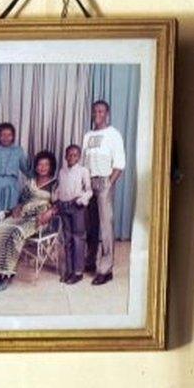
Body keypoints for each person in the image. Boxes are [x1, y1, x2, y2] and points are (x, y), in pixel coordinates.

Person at [0, 151, 58, 292]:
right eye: (40, 164)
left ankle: (8, 273)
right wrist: (16, 208)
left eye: (46, 164)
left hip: (39, 220)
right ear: (35, 167)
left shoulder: (55, 183)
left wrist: (50, 211)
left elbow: (58, 204)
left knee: (15, 233)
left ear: (51, 166)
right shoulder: (31, 182)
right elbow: (22, 200)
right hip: (22, 214)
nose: (42, 167)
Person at [82, 100, 126, 286]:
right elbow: (84, 161)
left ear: (107, 113)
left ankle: (106, 269)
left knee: (105, 226)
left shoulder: (113, 134)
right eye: (95, 111)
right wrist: (84, 184)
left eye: (101, 111)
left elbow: (120, 163)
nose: (97, 114)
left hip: (104, 181)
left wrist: (109, 183)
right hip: (88, 182)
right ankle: (90, 261)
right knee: (90, 225)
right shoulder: (88, 136)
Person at [0, 122, 30, 239]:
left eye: (9, 135)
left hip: (11, 189)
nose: (6, 138)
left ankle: (7, 244)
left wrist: (43, 179)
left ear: (13, 136)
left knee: (9, 216)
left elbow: (26, 169)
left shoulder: (18, 151)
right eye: (3, 135)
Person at [54, 144, 92, 284]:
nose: (71, 157)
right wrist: (56, 198)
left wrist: (81, 200)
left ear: (79, 157)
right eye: (69, 155)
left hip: (77, 207)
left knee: (78, 238)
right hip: (64, 206)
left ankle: (78, 272)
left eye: (75, 155)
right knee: (68, 239)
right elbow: (59, 187)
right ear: (65, 156)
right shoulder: (62, 171)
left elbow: (89, 190)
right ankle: (69, 270)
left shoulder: (83, 171)